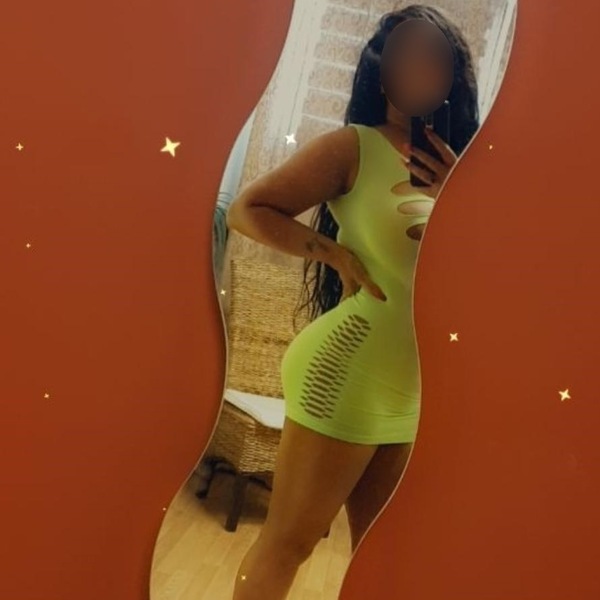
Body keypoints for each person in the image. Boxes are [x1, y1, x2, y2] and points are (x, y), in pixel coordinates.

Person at [225, 5, 479, 599]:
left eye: (435, 57)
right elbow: (247, 209)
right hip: (348, 370)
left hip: (411, 389)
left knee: (382, 553)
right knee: (289, 543)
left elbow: (489, 273)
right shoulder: (354, 147)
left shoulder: (464, 166)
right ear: (381, 72)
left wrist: (462, 198)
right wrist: (334, 254)